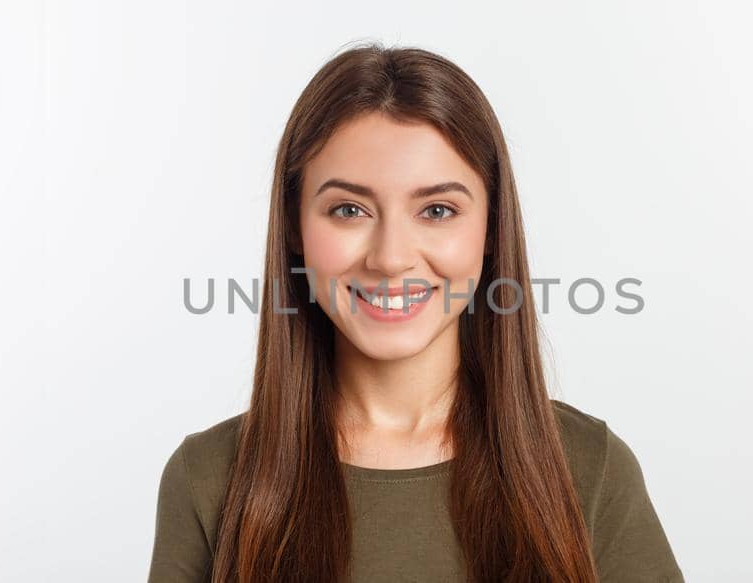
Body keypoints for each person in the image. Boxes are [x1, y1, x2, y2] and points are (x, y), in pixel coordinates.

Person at [149, 43, 682, 582]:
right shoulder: (209, 480)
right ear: (294, 226)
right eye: (349, 209)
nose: (391, 258)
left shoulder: (589, 470)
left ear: (492, 227)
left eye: (437, 210)